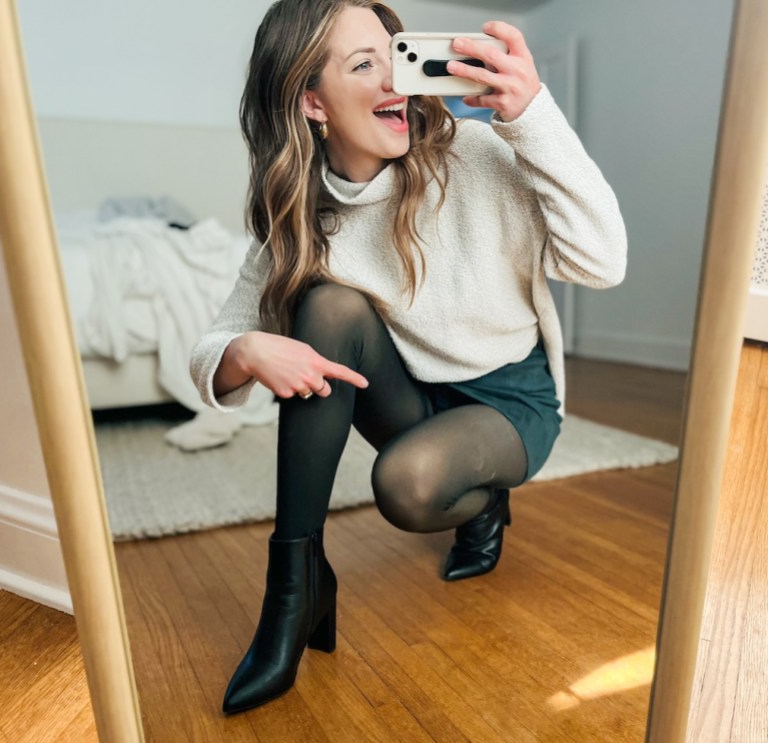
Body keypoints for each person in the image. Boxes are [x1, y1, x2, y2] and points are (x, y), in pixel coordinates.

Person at [189, 0, 626, 715]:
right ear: (311, 101)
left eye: (396, 55)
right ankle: (294, 590)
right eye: (365, 65)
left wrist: (534, 117)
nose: (394, 79)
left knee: (408, 486)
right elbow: (211, 351)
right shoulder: (301, 217)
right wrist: (243, 348)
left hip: (507, 401)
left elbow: (602, 262)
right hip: (417, 397)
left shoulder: (475, 156)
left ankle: (486, 504)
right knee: (324, 305)